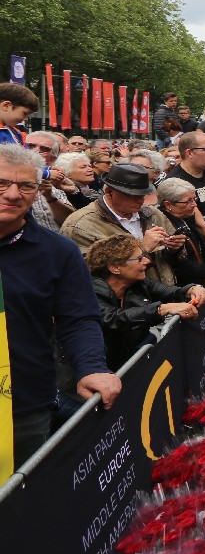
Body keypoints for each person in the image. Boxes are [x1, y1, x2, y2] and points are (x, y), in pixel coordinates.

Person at [0, 144, 120, 466]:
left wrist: (92, 367)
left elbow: (78, 318)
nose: (12, 194)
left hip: (23, 407)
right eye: (1, 183)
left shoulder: (58, 252)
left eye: (26, 186)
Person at [85, 234, 205, 370]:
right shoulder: (89, 291)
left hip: (137, 352)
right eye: (139, 259)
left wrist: (193, 289)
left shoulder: (138, 281)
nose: (147, 261)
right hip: (106, 368)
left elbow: (170, 291)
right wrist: (161, 309)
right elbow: (112, 319)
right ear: (115, 268)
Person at [60, 163, 181, 285]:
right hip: (122, 296)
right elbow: (91, 274)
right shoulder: (81, 225)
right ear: (109, 192)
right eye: (132, 196)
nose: (140, 201)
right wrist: (143, 249)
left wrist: (175, 248)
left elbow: (177, 259)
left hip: (167, 292)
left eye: (143, 195)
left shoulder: (152, 213)